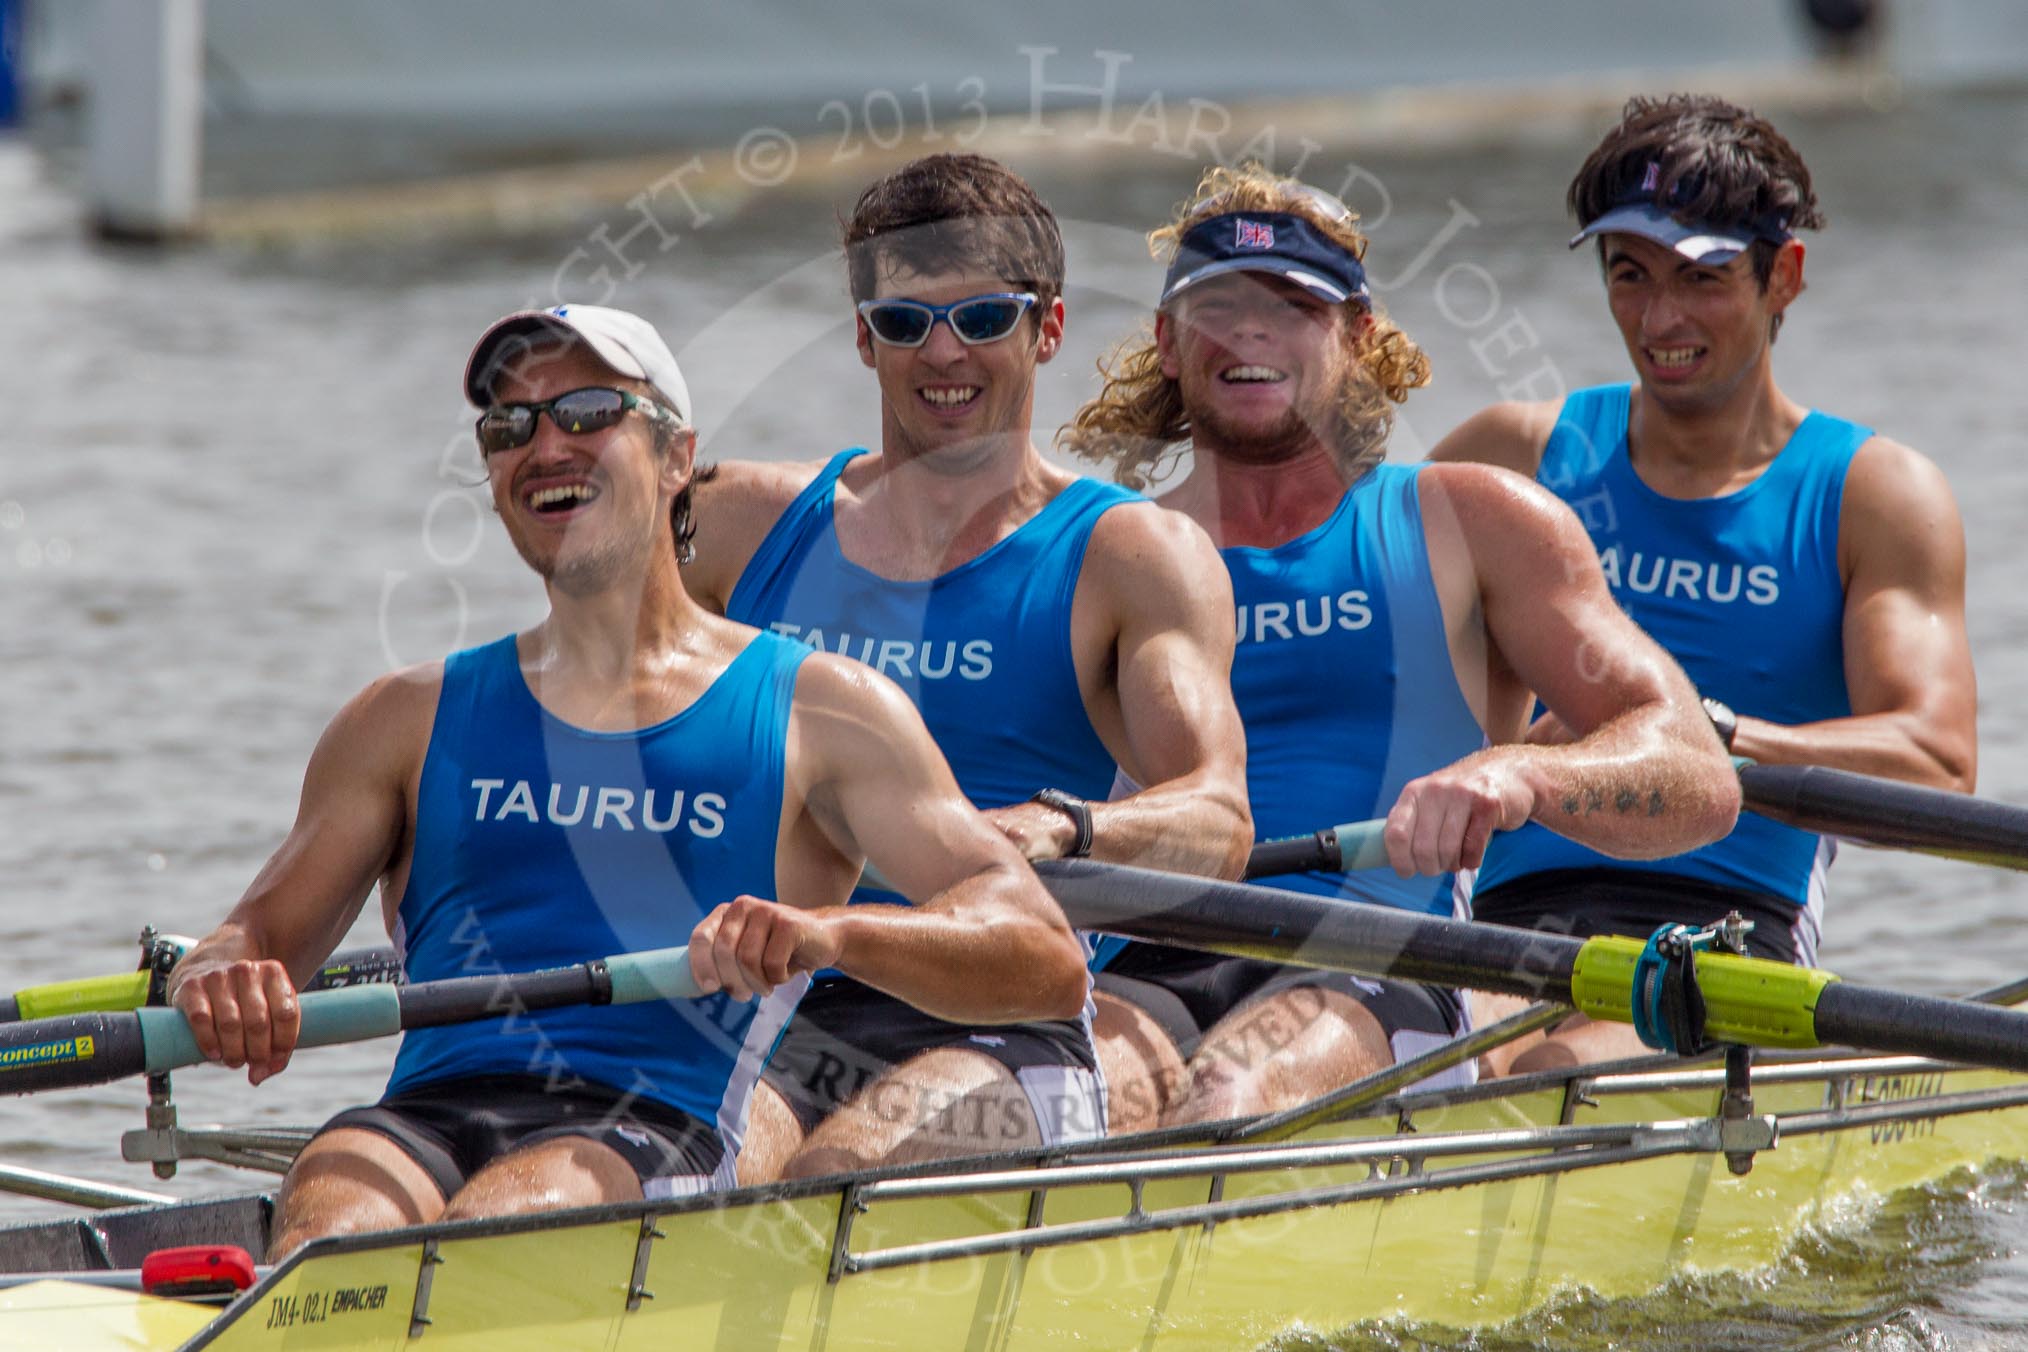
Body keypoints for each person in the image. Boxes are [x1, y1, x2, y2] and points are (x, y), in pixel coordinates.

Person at [167, 304, 1089, 1258]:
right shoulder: (400, 718)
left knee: (502, 1226)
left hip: (660, 1129)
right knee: (329, 1221)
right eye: (510, 427)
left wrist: (832, 933)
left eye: (587, 412)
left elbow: (1043, 956)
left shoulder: (824, 709)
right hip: (425, 1117)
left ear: (677, 456)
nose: (546, 447)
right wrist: (222, 975)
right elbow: (256, 933)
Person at [1061, 164, 1742, 1123]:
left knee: (1230, 1091)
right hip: (1150, 960)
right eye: (1217, 304)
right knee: (1070, 1109)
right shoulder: (1098, 552)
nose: (1250, 329)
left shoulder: (1473, 523)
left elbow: (1697, 776)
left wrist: (1518, 777)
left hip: (1387, 960)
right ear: (1170, 345)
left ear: (1358, 338)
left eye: (1293, 304)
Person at [680, 153, 1253, 1163]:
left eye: (983, 318)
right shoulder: (730, 524)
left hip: (999, 1014)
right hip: (771, 1000)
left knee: (829, 1177)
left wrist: (1062, 826)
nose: (943, 353)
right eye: (905, 321)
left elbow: (1219, 820)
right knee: (658, 1188)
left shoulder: (1129, 555)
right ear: (864, 339)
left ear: (1050, 327)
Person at [1432, 94, 1977, 1071]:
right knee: (1396, 1051)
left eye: (1704, 276)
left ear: (1786, 277)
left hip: (1725, 931)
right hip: (1504, 915)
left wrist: (1701, 736)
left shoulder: (1874, 493)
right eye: (1631, 275)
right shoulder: (1508, 458)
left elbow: (1936, 763)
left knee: (1551, 1072)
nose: (1660, 317)